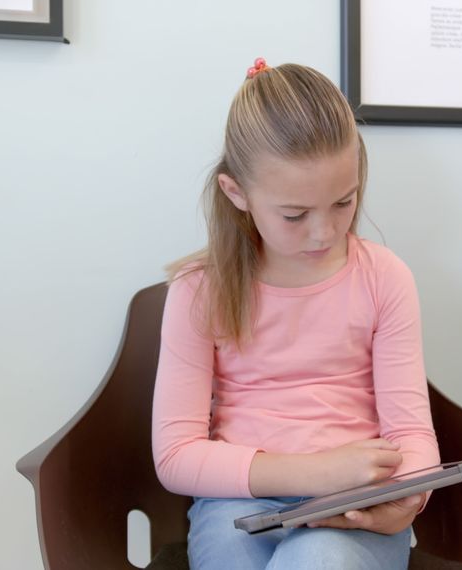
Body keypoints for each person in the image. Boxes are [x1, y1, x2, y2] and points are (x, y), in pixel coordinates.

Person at [151, 59, 440, 570]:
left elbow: (412, 434)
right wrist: (318, 473)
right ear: (236, 193)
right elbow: (176, 457)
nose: (323, 233)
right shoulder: (199, 290)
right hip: (236, 504)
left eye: (343, 203)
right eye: (294, 215)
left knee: (319, 558)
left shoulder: (384, 277)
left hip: (356, 506)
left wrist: (408, 497)